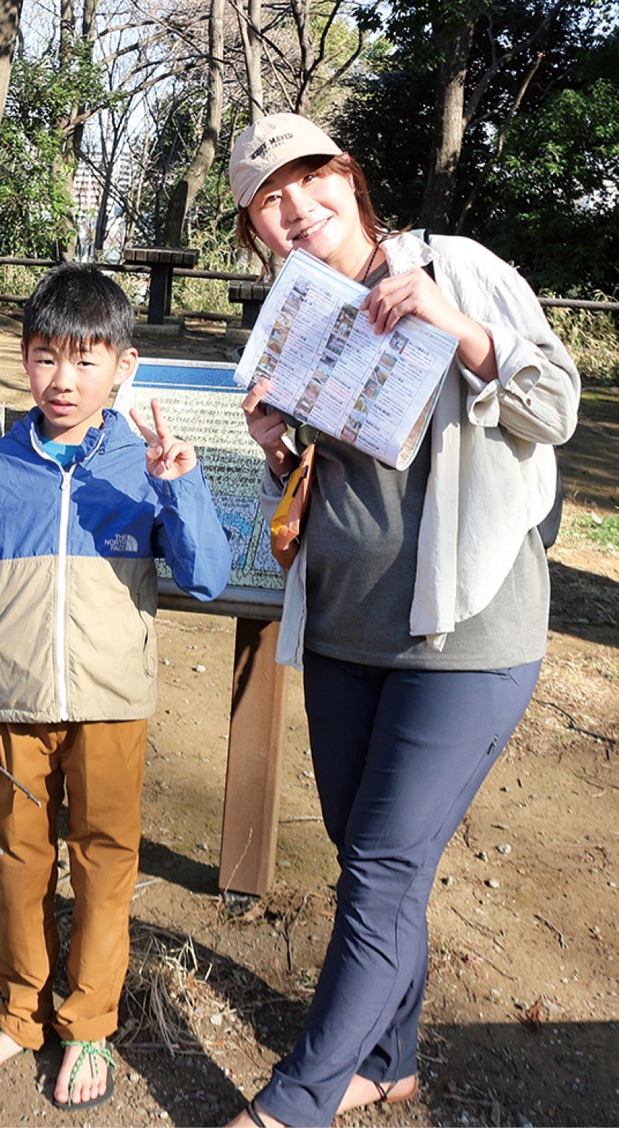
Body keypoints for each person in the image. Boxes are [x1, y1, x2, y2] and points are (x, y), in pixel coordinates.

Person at [226, 113, 579, 1126]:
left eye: (308, 180)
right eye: (268, 199)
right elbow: (321, 495)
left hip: (462, 636)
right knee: (373, 854)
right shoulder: (294, 313)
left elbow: (558, 403)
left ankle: (298, 1098)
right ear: (255, 224)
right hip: (345, 630)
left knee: (381, 866)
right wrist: (275, 448)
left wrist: (458, 327)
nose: (295, 210)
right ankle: (390, 1057)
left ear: (349, 175)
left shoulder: (453, 266)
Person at [0, 263, 232, 1110]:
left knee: (104, 867)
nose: (62, 379)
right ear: (24, 360)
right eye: (44, 356)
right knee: (18, 865)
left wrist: (181, 484)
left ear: (124, 366)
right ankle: (21, 1010)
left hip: (111, 709)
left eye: (86, 359)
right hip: (12, 708)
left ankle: (89, 1020)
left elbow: (206, 576)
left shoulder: (145, 464)